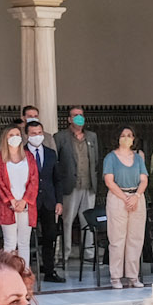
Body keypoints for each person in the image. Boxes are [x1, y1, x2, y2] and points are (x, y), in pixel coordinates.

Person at [103, 126, 148, 288]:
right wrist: (125, 198)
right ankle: (115, 276)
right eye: (123, 135)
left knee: (135, 238)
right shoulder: (111, 158)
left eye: (129, 135)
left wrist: (135, 196)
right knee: (117, 238)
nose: (126, 138)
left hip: (137, 197)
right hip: (117, 198)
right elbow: (109, 181)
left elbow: (144, 179)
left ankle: (133, 276)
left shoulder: (138, 158)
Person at [57, 106, 98, 268]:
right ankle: (64, 254)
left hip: (88, 185)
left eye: (81, 115)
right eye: (75, 116)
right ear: (69, 119)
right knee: (67, 221)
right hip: (69, 186)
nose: (78, 118)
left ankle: (88, 253)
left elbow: (95, 161)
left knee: (88, 221)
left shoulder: (92, 137)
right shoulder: (60, 137)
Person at [0, 123, 38, 267]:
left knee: (24, 242)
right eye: (11, 135)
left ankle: (24, 273)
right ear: (5, 138)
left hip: (26, 205)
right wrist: (11, 200)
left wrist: (24, 200)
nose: (15, 138)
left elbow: (34, 180)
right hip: (7, 206)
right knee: (10, 242)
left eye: (17, 135)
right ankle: (9, 274)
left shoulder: (29, 157)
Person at [25, 119, 64, 283]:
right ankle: (26, 271)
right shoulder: (22, 153)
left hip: (48, 201)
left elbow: (57, 179)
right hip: (30, 201)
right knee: (26, 238)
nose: (37, 136)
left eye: (39, 133)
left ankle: (49, 270)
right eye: (33, 134)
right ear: (27, 135)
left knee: (50, 236)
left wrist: (59, 201)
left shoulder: (50, 153)